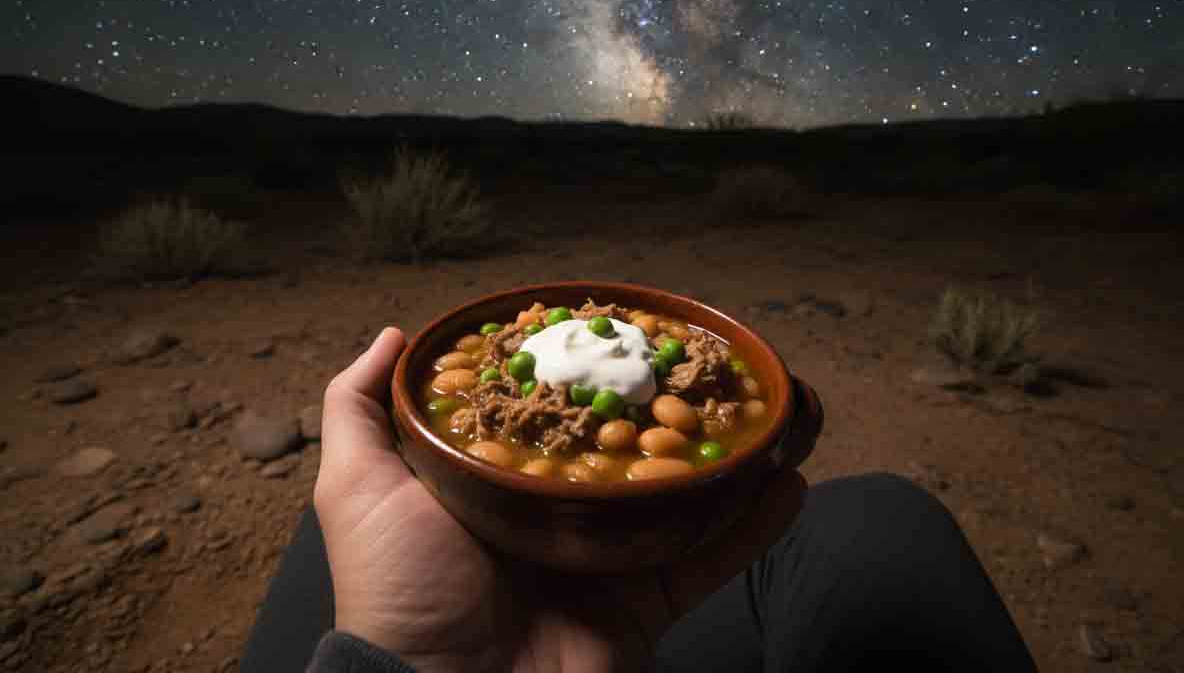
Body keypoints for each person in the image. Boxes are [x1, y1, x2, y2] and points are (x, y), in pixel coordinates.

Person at [240, 327, 1039, 672]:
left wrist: (406, 667)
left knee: (321, 538)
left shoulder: (669, 391)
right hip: (611, 598)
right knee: (883, 519)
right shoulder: (495, 374)